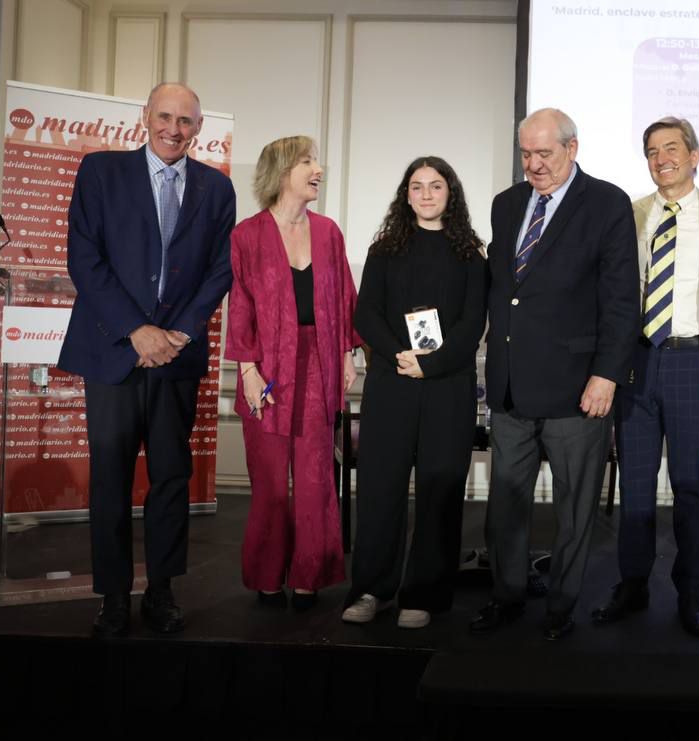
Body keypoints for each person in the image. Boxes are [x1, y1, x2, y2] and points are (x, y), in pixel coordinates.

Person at [60, 82, 235, 637]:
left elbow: (221, 269)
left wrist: (178, 333)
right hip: (114, 350)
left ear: (199, 128)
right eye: (164, 117)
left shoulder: (217, 188)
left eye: (185, 121)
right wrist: (137, 331)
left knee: (170, 477)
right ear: (145, 117)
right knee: (110, 478)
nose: (173, 129)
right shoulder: (100, 172)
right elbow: (84, 259)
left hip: (176, 358)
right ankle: (113, 596)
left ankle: (161, 590)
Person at [471, 108, 639, 641]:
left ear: (572, 148)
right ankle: (508, 595)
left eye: (544, 153)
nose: (534, 165)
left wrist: (607, 375)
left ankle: (562, 606)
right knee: (506, 504)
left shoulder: (607, 203)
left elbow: (620, 301)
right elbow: (503, 289)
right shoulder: (507, 204)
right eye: (526, 154)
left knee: (574, 508)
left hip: (577, 389)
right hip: (511, 386)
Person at [592, 116, 699, 637]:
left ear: (695, 155)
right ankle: (633, 585)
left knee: (690, 487)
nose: (663, 158)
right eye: (653, 151)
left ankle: (691, 590)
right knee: (635, 486)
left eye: (673, 148)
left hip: (691, 361)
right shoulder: (628, 215)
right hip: (635, 362)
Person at [341, 156, 487, 630]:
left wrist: (432, 365)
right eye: (417, 186)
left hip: (448, 387)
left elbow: (472, 326)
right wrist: (403, 358)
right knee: (381, 489)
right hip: (392, 382)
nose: (426, 194)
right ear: (406, 194)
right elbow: (366, 317)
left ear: (451, 193)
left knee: (438, 491)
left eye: (436, 186)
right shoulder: (385, 250)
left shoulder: (471, 254)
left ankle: (422, 593)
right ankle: (371, 589)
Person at [225, 136, 359, 612]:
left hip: (319, 361)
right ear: (282, 172)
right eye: (307, 161)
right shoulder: (247, 235)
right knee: (269, 482)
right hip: (266, 368)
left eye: (317, 160)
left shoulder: (328, 232)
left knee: (316, 477)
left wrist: (346, 355)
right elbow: (239, 306)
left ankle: (309, 576)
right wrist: (247, 371)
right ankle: (267, 575)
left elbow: (344, 298)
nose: (318, 169)